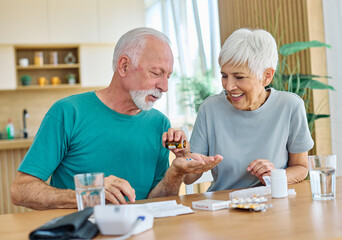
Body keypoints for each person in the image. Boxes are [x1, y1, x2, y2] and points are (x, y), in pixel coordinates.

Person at [11, 27, 223, 210]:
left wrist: (175, 172)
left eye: (168, 76)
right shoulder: (68, 112)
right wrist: (90, 195)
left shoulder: (160, 124)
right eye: (156, 73)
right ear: (124, 66)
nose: (164, 87)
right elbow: (21, 191)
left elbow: (155, 203)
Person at [184, 28, 314, 191]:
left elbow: (301, 167)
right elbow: (189, 178)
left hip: (273, 206)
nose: (229, 86)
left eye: (239, 77)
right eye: (224, 75)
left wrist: (275, 176)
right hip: (223, 207)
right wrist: (185, 159)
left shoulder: (290, 106)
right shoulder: (209, 109)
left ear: (267, 76)